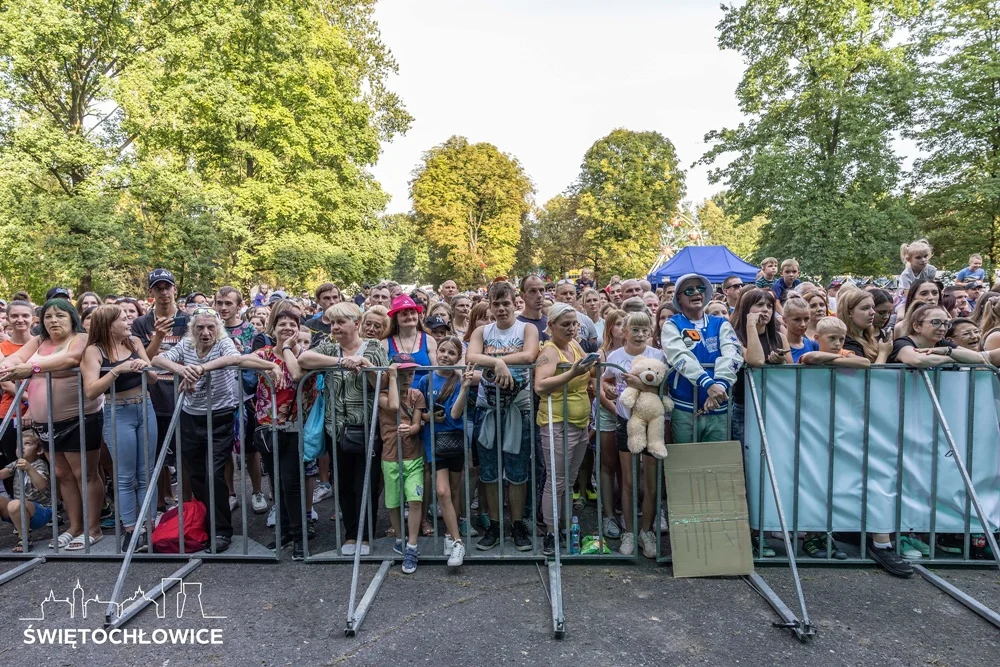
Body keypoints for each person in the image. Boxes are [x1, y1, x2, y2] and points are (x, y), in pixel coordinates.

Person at [151, 307, 281, 553]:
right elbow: (156, 359)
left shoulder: (224, 343)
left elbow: (234, 359)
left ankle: (222, 530)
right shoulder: (187, 344)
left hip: (220, 417)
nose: (205, 332)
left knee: (214, 473)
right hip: (190, 416)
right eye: (200, 327)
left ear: (218, 328)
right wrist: (180, 369)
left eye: (211, 327)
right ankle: (207, 523)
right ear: (192, 329)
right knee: (196, 474)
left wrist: (201, 369)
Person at [0, 299, 102, 551]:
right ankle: (75, 526)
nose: (53, 320)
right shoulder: (39, 341)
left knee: (84, 474)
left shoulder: (81, 338)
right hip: (45, 422)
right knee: (63, 475)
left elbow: (71, 359)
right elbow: (14, 359)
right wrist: (8, 366)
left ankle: (93, 529)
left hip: (78, 418)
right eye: (48, 316)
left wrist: (31, 368)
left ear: (71, 318)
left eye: (60, 316)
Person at [298, 302, 388, 556]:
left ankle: (366, 536)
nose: (335, 327)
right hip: (334, 427)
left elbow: (382, 382)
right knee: (344, 483)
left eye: (340, 322)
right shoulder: (329, 346)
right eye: (332, 322)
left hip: (365, 426)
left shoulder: (373, 347)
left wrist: (366, 365)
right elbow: (304, 357)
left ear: (356, 323)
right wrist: (342, 360)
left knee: (365, 483)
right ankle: (350, 535)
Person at [466, 281, 539, 551]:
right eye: (495, 304)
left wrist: (497, 360)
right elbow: (471, 355)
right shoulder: (482, 330)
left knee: (517, 470)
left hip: (519, 408)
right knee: (490, 471)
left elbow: (530, 354)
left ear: (514, 302)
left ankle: (517, 524)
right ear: (490, 305)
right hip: (487, 407)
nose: (501, 309)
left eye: (505, 303)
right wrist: (497, 362)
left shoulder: (526, 328)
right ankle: (495, 525)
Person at [81, 305, 159, 553]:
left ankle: (150, 527)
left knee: (147, 471)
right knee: (125, 476)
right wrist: (117, 370)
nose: (129, 322)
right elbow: (91, 391)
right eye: (123, 319)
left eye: (129, 318)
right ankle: (130, 530)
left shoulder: (135, 341)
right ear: (108, 324)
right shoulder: (94, 351)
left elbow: (154, 378)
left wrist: (143, 365)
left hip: (145, 407)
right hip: (119, 411)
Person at [533, 303, 598, 556]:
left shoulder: (573, 344)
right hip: (556, 422)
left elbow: (587, 368)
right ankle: (551, 532)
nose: (572, 328)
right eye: (565, 325)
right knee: (556, 481)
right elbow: (540, 385)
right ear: (551, 326)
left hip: (580, 423)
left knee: (568, 481)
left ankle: (565, 527)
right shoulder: (549, 351)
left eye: (574, 324)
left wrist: (596, 364)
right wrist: (572, 373)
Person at [251, 303, 314, 561]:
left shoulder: (306, 354)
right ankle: (285, 533)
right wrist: (272, 366)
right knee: (276, 482)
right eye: (282, 324)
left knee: (292, 483)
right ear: (272, 328)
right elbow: (237, 359)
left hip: (296, 427)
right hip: (267, 427)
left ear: (299, 330)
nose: (287, 328)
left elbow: (299, 374)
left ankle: (300, 537)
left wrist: (288, 350)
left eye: (293, 325)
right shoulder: (263, 354)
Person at [602, 310, 665, 557]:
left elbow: (664, 387)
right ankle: (629, 531)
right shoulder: (616, 355)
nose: (639, 335)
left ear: (650, 332)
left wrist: (643, 386)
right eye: (634, 330)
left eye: (644, 330)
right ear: (624, 332)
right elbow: (604, 378)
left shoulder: (658, 355)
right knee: (628, 480)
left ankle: (646, 531)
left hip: (652, 423)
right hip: (625, 421)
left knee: (650, 481)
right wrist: (607, 388)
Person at [131, 268, 189, 513]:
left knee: (186, 455)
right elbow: (144, 359)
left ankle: (188, 506)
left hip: (183, 394)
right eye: (158, 288)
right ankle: (163, 505)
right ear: (151, 292)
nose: (164, 292)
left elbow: (193, 356)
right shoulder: (141, 323)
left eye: (168, 287)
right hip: (153, 396)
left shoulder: (188, 320)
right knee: (156, 457)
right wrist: (158, 337)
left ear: (175, 289)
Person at [661, 274, 743, 444]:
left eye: (701, 288)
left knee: (716, 464)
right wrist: (708, 383)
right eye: (689, 290)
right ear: (679, 298)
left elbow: (733, 353)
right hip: (685, 408)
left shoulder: (721, 323)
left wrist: (719, 385)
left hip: (719, 407)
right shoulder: (672, 324)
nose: (696, 293)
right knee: (687, 464)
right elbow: (679, 356)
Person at [417, 336, 469, 567]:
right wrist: (427, 417)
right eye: (442, 351)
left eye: (451, 353)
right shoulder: (426, 381)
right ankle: (458, 542)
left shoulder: (459, 381)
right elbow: (418, 412)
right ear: (436, 352)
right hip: (433, 441)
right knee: (442, 491)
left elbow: (455, 414)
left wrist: (466, 388)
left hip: (455, 439)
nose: (445, 356)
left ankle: (451, 533)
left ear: (458, 358)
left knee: (455, 490)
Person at [216, 286, 266, 515]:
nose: (224, 307)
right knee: (224, 450)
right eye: (220, 303)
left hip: (246, 397)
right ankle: (230, 494)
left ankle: (257, 492)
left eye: (229, 303)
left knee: (250, 450)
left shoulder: (250, 331)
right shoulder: (212, 329)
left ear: (239, 305)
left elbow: (256, 362)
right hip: (219, 397)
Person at [378, 357, 426, 574]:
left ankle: (412, 546)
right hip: (390, 456)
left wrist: (412, 429)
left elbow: (416, 424)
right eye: (402, 373)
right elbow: (394, 406)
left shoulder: (417, 395)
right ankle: (399, 538)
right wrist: (393, 378)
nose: (408, 378)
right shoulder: (382, 395)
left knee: (415, 501)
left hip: (413, 456)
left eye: (411, 374)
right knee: (394, 502)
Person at [0, 300, 33, 496]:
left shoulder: (41, 343)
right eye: (15, 316)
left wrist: (35, 407)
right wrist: (31, 401)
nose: (20, 320)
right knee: (12, 461)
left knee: (43, 461)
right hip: (10, 413)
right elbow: (5, 382)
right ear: (8, 320)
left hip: (42, 412)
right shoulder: (2, 347)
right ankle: (18, 511)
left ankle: (48, 509)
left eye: (25, 315)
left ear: (32, 319)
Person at [0, 431, 50, 552]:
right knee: (12, 503)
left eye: (27, 443)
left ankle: (25, 538)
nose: (21, 447)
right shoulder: (16, 464)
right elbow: (1, 474)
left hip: (41, 510)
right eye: (19, 445)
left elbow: (41, 486)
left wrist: (29, 468)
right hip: (17, 510)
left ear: (39, 450)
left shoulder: (40, 464)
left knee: (15, 503)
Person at [386, 295, 437, 380]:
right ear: (396, 318)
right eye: (404, 314)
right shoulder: (385, 343)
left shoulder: (429, 340)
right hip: (395, 392)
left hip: (424, 392)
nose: (410, 317)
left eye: (413, 313)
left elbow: (436, 373)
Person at [836, 288, 892, 363]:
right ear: (849, 312)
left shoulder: (867, 336)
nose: (873, 312)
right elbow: (871, 374)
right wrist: (883, 353)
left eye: (872, 307)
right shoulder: (844, 340)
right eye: (865, 308)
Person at [553, 281, 598, 349]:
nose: (568, 296)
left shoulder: (586, 320)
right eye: (564, 293)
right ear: (555, 296)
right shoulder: (550, 319)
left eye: (571, 293)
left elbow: (593, 349)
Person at [782, 297, 818, 363]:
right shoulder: (778, 345)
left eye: (806, 319)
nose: (803, 324)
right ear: (784, 319)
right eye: (797, 319)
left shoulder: (814, 345)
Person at [517, 275, 548, 343]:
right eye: (533, 291)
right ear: (522, 295)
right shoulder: (516, 326)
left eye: (541, 290)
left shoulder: (551, 323)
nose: (539, 295)